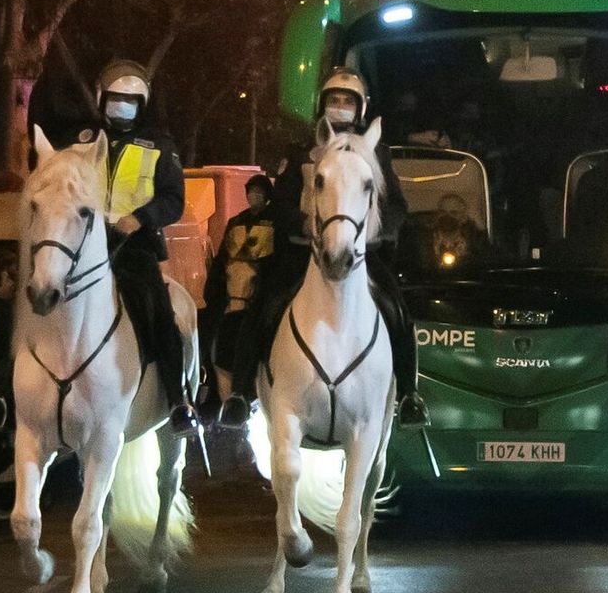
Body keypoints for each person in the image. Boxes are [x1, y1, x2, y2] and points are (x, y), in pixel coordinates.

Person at [220, 68, 428, 430]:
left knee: (396, 308)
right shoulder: (301, 150)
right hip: (304, 252)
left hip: (359, 253)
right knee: (262, 304)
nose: (341, 106)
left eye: (349, 101)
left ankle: (409, 395)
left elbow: (396, 205)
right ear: (322, 104)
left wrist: (374, 233)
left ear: (361, 107)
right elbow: (281, 202)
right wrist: (302, 224)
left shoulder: (376, 151)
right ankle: (240, 393)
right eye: (334, 100)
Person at [93, 60, 199, 437]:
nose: (122, 107)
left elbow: (174, 200)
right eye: (116, 100)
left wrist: (139, 218)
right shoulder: (84, 142)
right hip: (84, 244)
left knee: (157, 312)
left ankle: (177, 401)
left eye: (131, 101)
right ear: (101, 99)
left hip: (133, 247)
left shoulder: (159, 145)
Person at [203, 174, 275, 404]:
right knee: (207, 330)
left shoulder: (274, 221)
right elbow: (223, 258)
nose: (254, 196)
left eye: (259, 192)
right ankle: (205, 381)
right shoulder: (236, 222)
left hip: (258, 297)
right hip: (230, 295)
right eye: (251, 192)